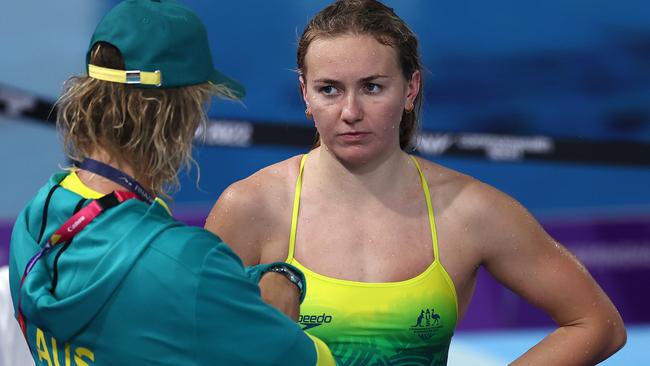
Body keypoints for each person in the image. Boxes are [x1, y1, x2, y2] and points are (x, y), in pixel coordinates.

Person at [205, 0, 627, 365]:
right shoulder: (251, 207)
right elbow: (185, 345)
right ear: (305, 96)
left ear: (410, 89)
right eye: (329, 89)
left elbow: (597, 324)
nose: (350, 111)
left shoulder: (470, 210)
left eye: (372, 87)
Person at [8, 1, 336, 365]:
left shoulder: (34, 221)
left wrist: (229, 287)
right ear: (175, 116)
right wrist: (284, 278)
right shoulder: (186, 264)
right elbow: (310, 359)